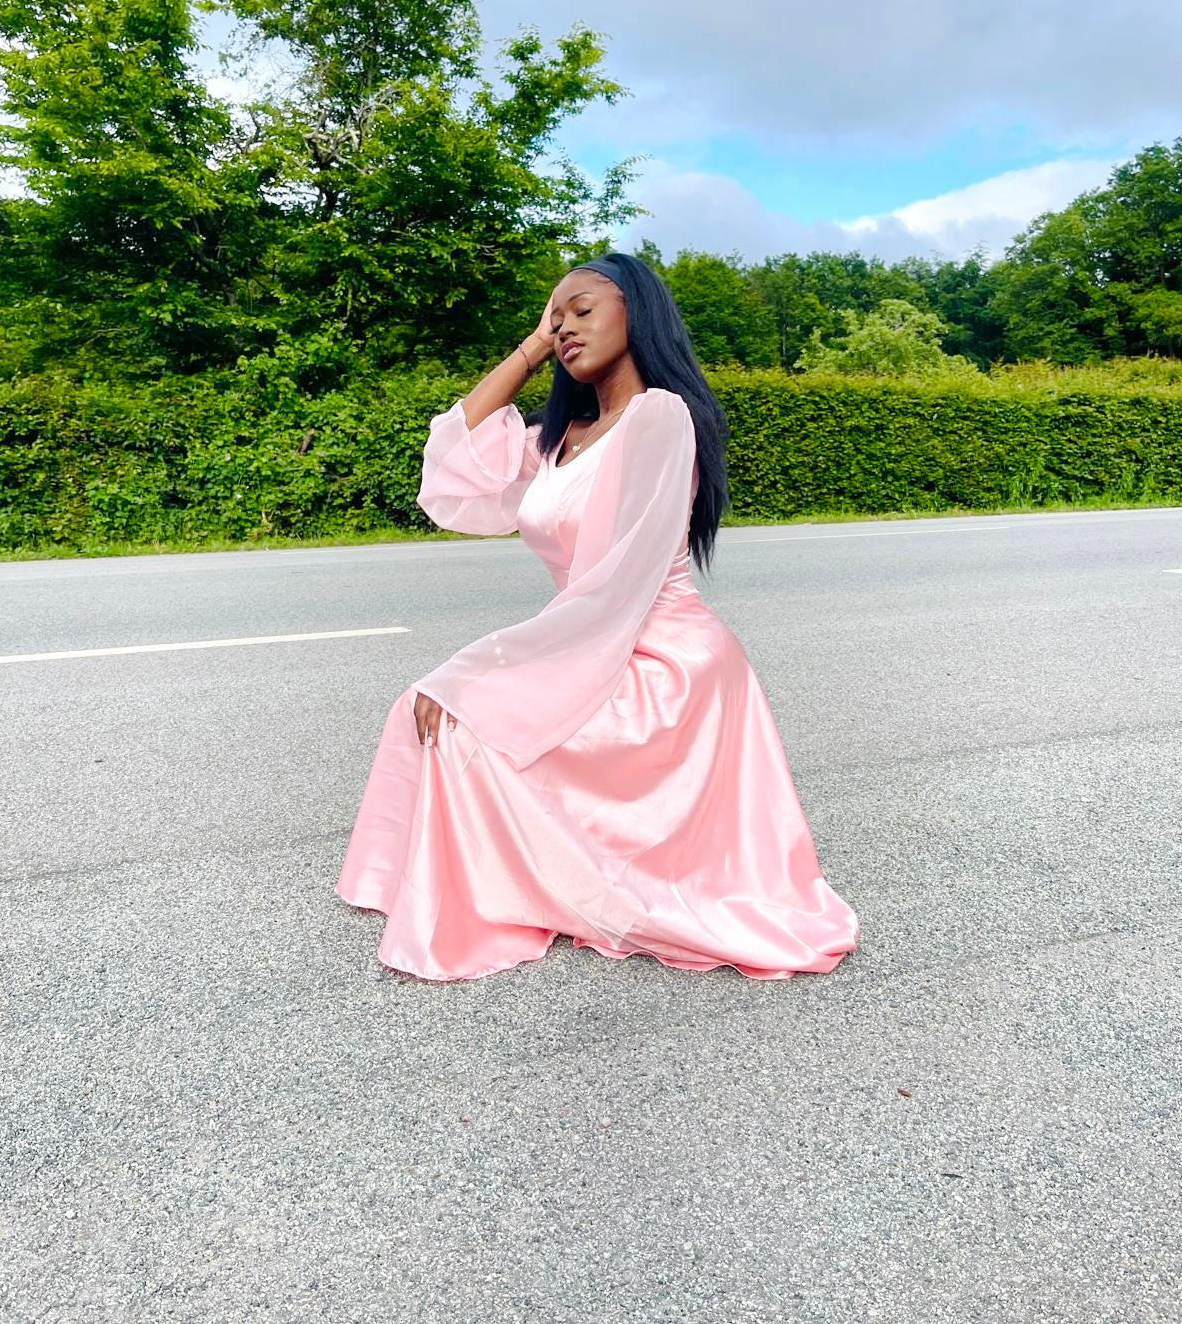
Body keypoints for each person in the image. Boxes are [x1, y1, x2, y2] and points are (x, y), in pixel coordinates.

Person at [335, 252, 859, 981]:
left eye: (582, 310)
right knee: (426, 708)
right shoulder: (561, 438)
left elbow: (615, 587)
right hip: (593, 638)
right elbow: (454, 459)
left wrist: (468, 669)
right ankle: (496, 884)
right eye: (554, 319)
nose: (564, 328)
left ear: (636, 312)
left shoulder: (659, 417)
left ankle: (554, 888)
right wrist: (530, 349)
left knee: (459, 716)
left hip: (660, 660)